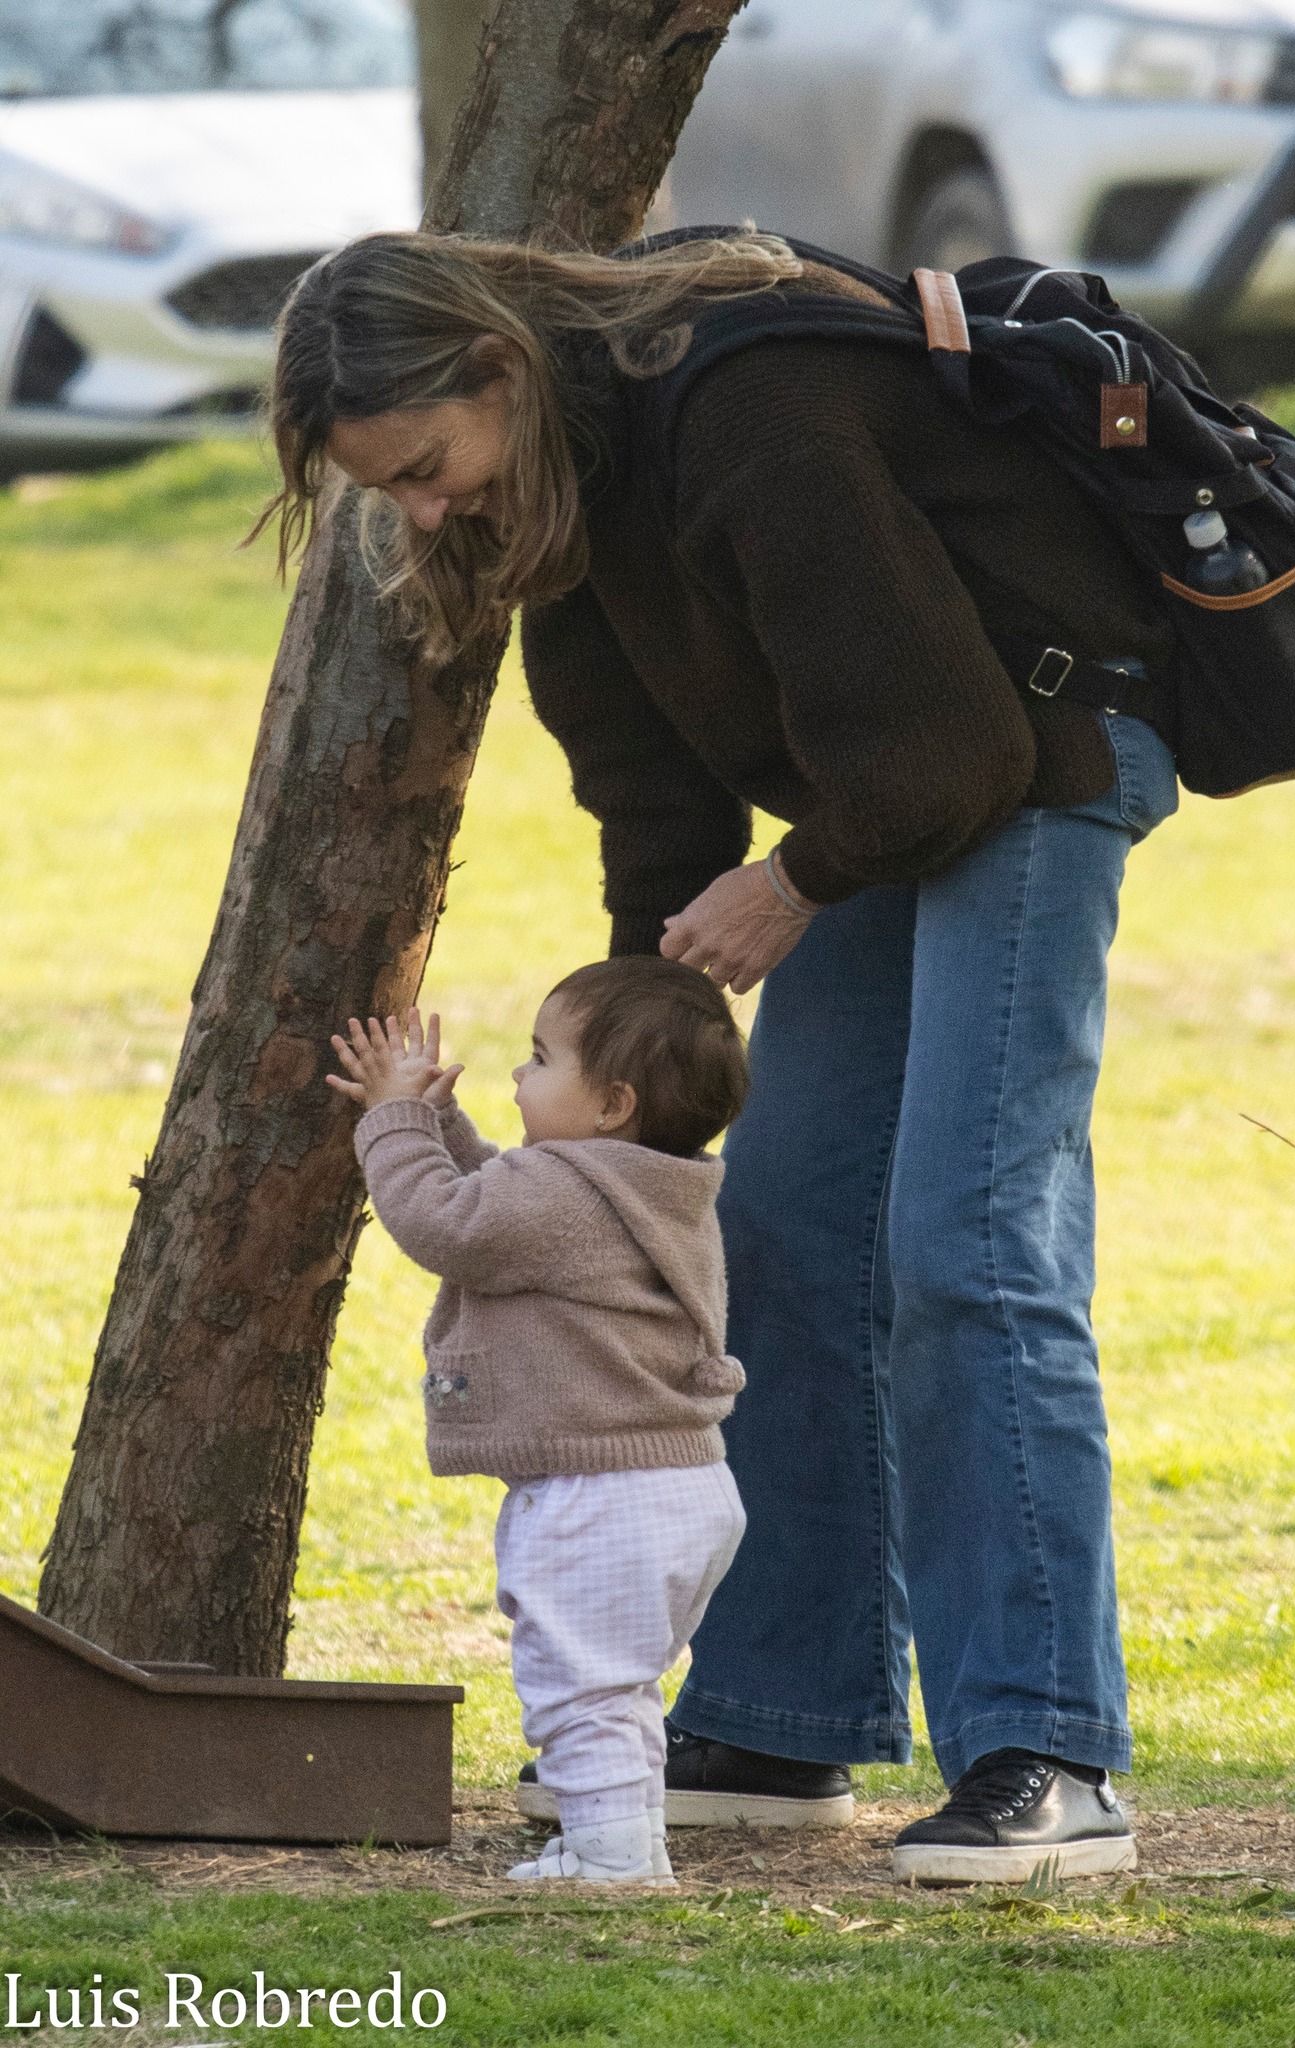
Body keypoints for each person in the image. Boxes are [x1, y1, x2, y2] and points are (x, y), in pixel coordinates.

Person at [268, 226, 1179, 1885]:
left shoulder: (749, 408)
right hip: (888, 804)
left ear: (497, 367)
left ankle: (1045, 1747)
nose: (423, 510)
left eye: (424, 466)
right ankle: (778, 1714)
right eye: (386, 492)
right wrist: (611, 1105)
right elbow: (656, 813)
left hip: (1037, 759)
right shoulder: (573, 493)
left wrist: (788, 885)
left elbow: (956, 746)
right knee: (777, 1234)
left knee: (962, 1245)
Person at [326, 966, 750, 1885]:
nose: (516, 1076)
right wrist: (436, 1120)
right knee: (616, 1686)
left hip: (601, 1493)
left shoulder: (564, 1192)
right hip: (681, 1485)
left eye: (539, 1057)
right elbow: (505, 1202)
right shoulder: (648, 1184)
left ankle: (610, 1859)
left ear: (612, 1104)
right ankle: (627, 1844)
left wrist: (393, 1124)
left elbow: (451, 1222)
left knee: (580, 1688)